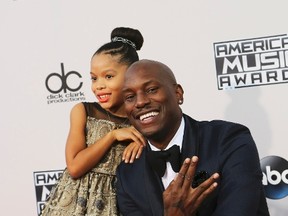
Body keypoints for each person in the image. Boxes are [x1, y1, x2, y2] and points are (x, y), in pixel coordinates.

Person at [116, 59, 270, 215]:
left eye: (151, 89)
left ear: (178, 94)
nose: (140, 102)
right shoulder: (128, 174)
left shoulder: (229, 140)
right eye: (130, 97)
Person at [40, 27, 146, 216]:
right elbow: (74, 167)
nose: (98, 86)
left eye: (109, 76)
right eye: (93, 78)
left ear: (131, 75)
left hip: (118, 205)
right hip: (73, 206)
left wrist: (142, 143)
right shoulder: (83, 111)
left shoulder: (141, 119)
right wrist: (112, 136)